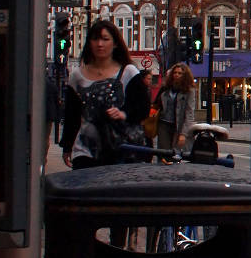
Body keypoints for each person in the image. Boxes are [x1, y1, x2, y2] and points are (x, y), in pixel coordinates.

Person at [60, 19, 150, 170]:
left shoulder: (128, 72)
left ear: (115, 43)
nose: (100, 44)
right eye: (95, 39)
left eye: (105, 39)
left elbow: (143, 107)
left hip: (121, 148)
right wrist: (67, 146)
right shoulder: (77, 76)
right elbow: (72, 115)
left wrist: (123, 114)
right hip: (86, 150)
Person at [156, 62, 196, 155]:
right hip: (164, 124)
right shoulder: (166, 88)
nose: (176, 75)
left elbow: (189, 112)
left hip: (178, 126)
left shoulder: (189, 90)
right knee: (163, 152)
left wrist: (184, 134)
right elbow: (157, 104)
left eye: (179, 73)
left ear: (184, 75)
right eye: (175, 73)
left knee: (176, 153)